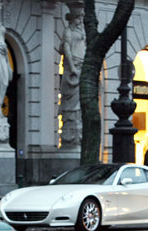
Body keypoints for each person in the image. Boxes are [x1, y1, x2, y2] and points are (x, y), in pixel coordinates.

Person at [59, 9, 86, 145]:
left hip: (81, 66)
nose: (80, 20)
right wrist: (73, 67)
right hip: (73, 68)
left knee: (79, 101)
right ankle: (70, 126)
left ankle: (77, 124)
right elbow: (66, 49)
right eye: (78, 18)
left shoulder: (81, 32)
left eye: (81, 17)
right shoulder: (68, 32)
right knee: (71, 100)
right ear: (72, 19)